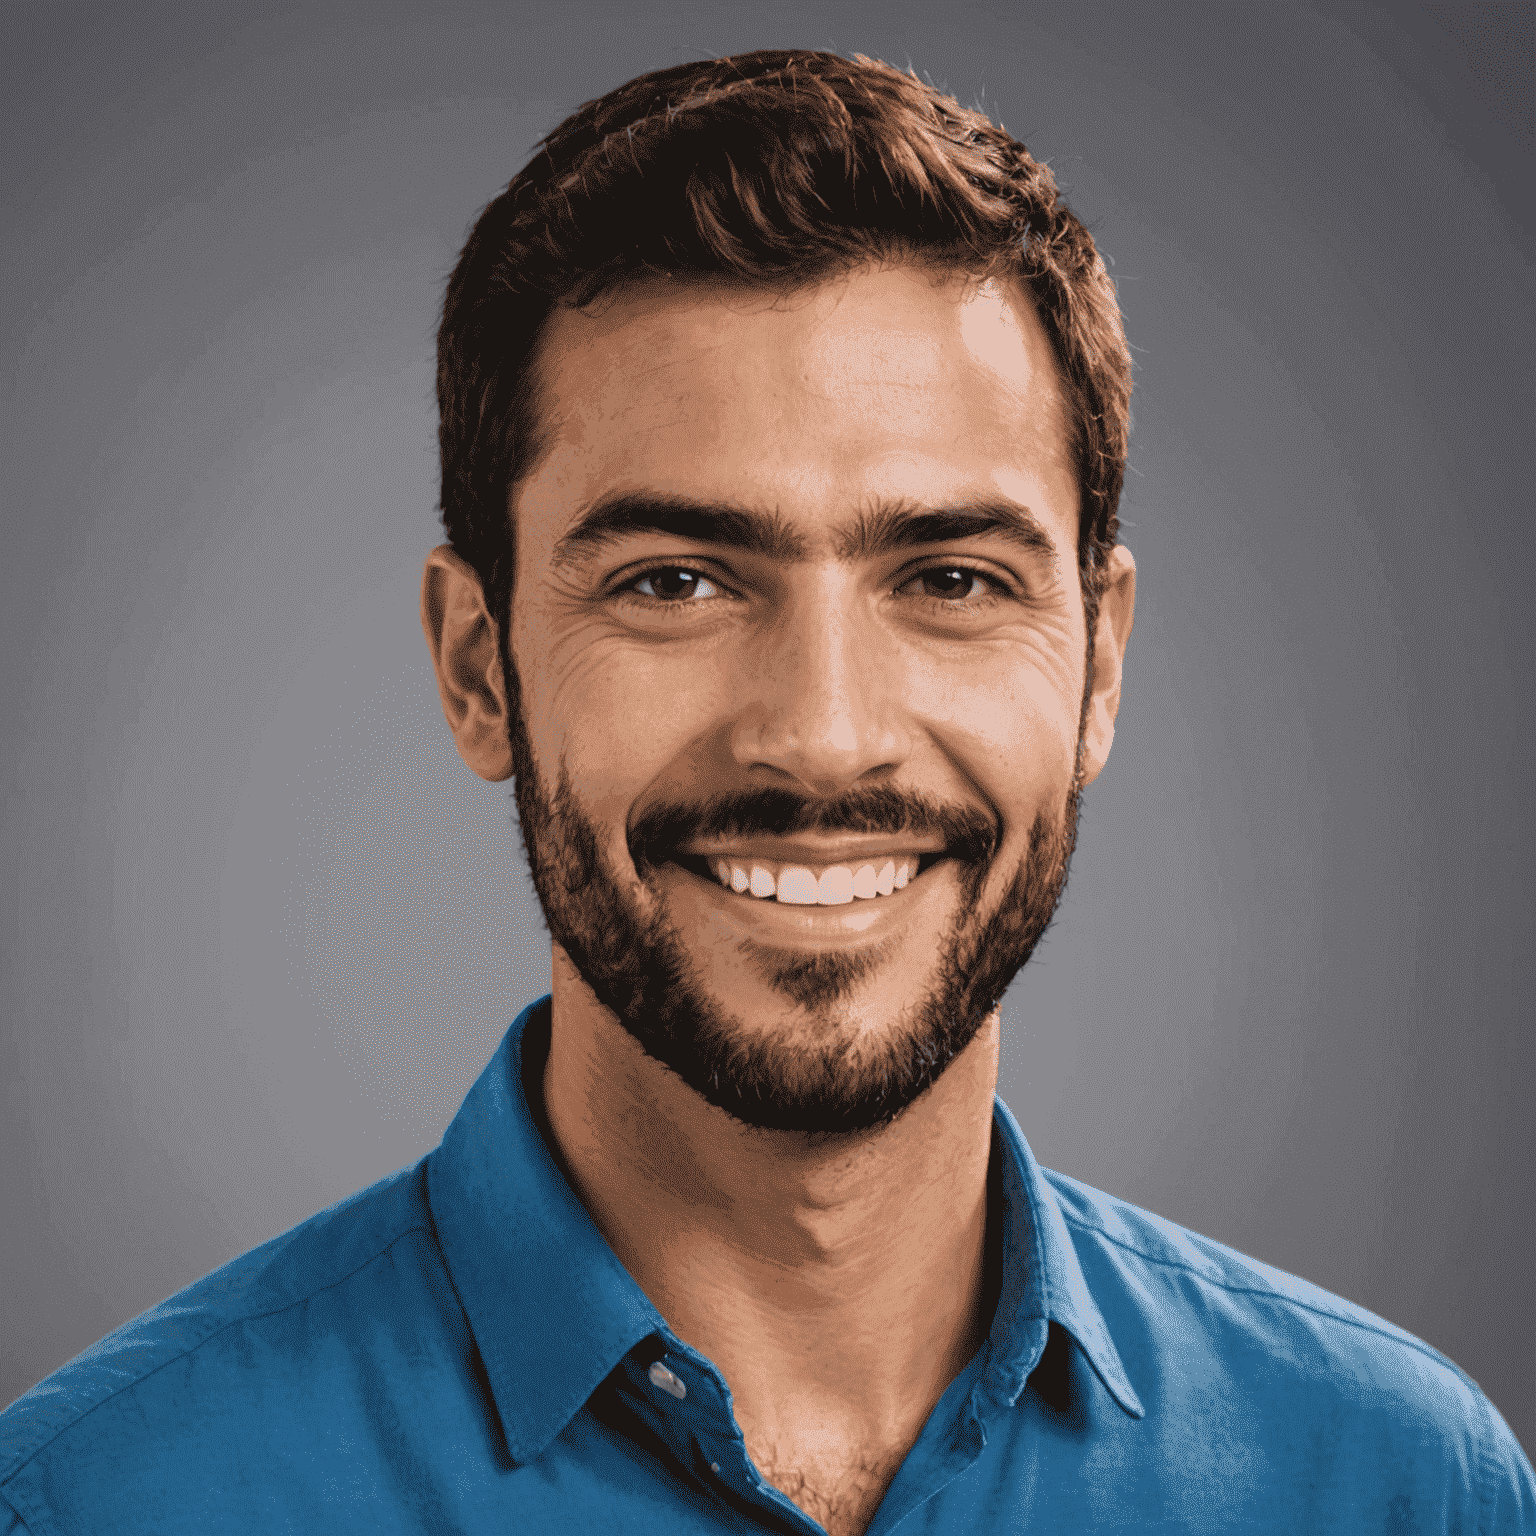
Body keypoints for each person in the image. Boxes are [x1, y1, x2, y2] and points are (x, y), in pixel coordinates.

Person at [2, 47, 1530, 1536]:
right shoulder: (96, 1503)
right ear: (480, 668)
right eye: (676, 581)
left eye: (949, 577)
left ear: (1100, 665)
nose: (822, 736)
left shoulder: (1401, 1488)